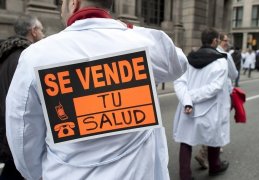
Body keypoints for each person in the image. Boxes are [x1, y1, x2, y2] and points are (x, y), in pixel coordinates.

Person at [5, 1, 187, 180]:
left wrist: (35, 174)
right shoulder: (142, 43)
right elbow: (178, 64)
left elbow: (22, 134)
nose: (61, 10)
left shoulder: (36, 55)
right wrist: (125, 28)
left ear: (73, 3)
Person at [173, 28, 230, 179]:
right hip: (209, 107)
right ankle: (215, 166)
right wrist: (191, 97)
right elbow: (215, 87)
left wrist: (188, 99)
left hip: (188, 107)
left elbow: (179, 83)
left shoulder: (188, 59)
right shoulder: (221, 61)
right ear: (215, 41)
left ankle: (185, 175)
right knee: (213, 137)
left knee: (186, 140)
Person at [0, 15, 44, 180]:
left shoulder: (7, 54)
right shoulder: (25, 58)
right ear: (33, 31)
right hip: (15, 135)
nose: (43, 34)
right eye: (41, 29)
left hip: (7, 132)